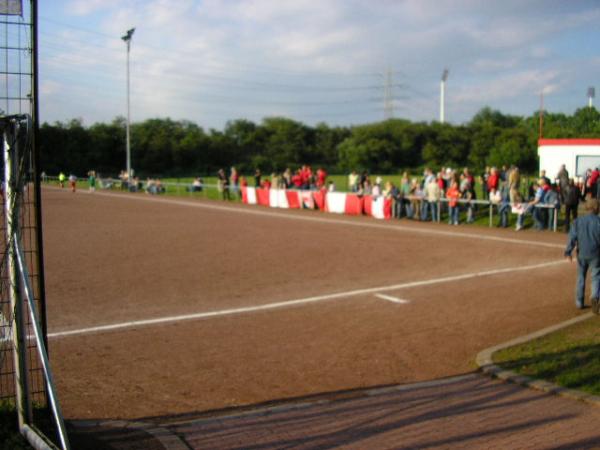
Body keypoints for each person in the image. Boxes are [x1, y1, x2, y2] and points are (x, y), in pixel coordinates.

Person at [564, 198, 600, 314]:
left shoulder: (578, 221)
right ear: (597, 208)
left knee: (581, 277)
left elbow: (572, 237)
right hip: (596, 253)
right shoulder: (598, 221)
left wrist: (568, 252)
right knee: (596, 276)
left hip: (582, 253)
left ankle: (579, 302)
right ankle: (594, 296)